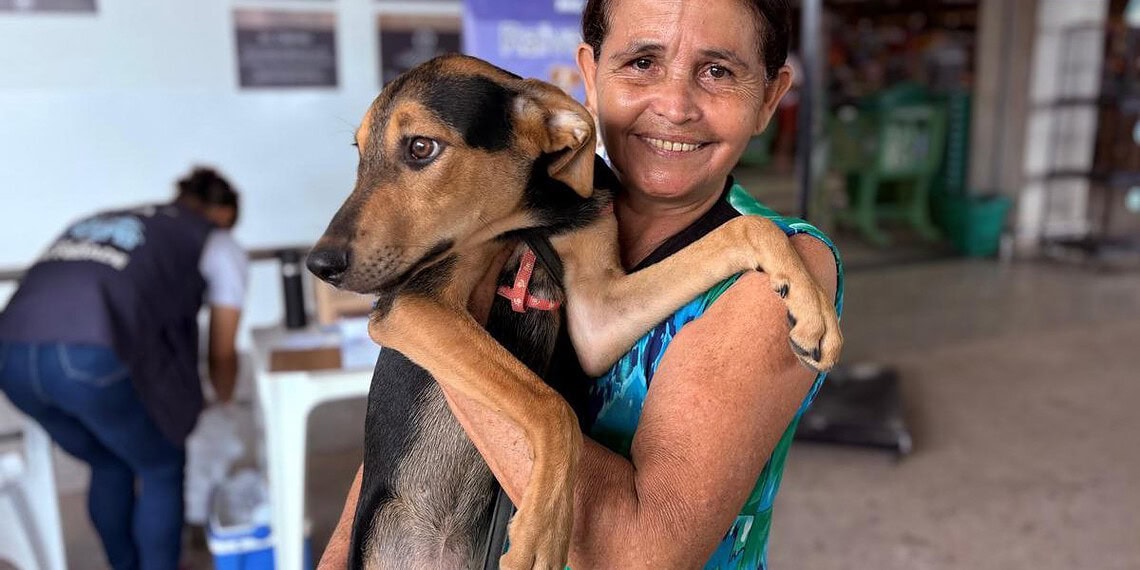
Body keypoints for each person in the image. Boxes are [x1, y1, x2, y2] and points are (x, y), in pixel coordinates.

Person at [321, 0, 842, 567]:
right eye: (642, 62)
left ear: (769, 97)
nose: (673, 106)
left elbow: (639, 554)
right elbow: (407, 351)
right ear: (591, 76)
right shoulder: (536, 200)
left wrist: (753, 239)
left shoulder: (786, 268)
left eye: (717, 71)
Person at [0, 166, 249, 570]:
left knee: (110, 460)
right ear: (222, 216)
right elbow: (222, 351)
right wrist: (223, 403)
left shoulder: (107, 221)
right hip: (86, 356)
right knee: (160, 465)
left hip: (10, 356)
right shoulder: (217, 243)